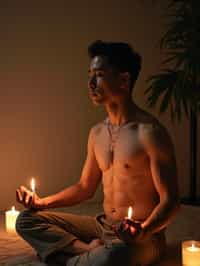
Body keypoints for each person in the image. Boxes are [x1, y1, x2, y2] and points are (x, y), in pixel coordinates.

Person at [16, 40, 180, 266]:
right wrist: (42, 203)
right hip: (102, 226)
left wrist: (143, 230)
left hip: (142, 236)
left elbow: (171, 202)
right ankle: (85, 250)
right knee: (26, 220)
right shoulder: (97, 133)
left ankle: (67, 257)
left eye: (99, 74)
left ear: (123, 80)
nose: (91, 83)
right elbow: (85, 187)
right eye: (90, 74)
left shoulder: (149, 133)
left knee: (112, 256)